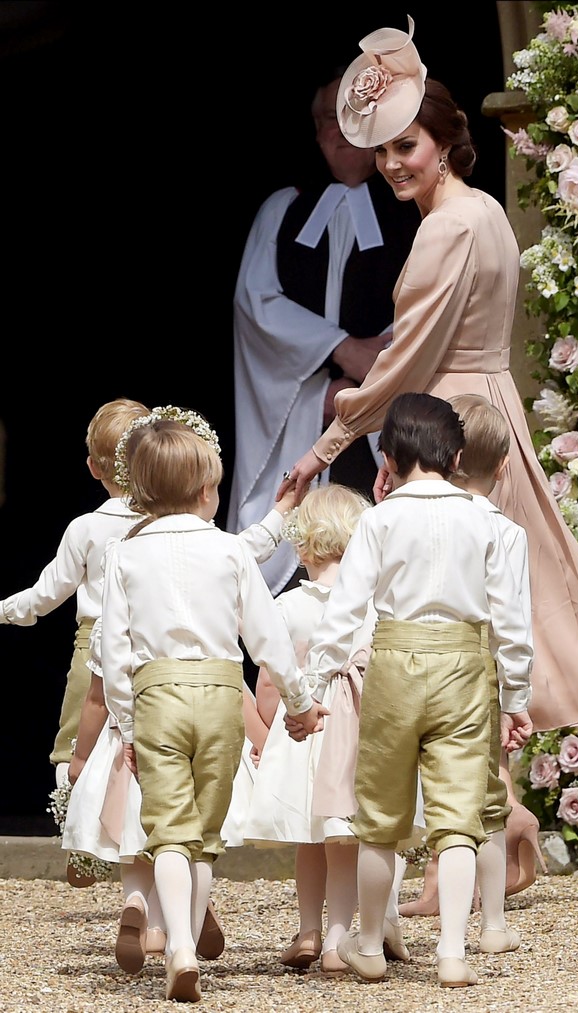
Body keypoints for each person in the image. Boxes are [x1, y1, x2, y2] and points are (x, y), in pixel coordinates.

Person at [279, 16, 578, 861]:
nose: (391, 164)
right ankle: (502, 826)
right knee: (483, 619)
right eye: (382, 150)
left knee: (444, 625)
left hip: (450, 430)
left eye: (406, 145)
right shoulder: (483, 211)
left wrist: (330, 442)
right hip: (478, 413)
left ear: (448, 140)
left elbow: (409, 351)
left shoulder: (450, 225)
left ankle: (487, 832)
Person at [286, 392, 533, 987]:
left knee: (379, 815)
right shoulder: (491, 524)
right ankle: (452, 952)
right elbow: (512, 624)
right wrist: (515, 699)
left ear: (388, 459)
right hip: (465, 668)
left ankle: (369, 942)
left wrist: (316, 685)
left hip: (393, 664)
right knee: (457, 816)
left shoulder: (379, 519)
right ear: (455, 454)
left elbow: (344, 614)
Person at [97, 410, 327, 1003]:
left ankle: (176, 947)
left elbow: (112, 650)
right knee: (204, 836)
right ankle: (187, 940)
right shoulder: (228, 552)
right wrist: (298, 703)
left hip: (157, 695)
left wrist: (125, 722)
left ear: (140, 490)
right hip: (222, 694)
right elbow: (268, 636)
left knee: (168, 832)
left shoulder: (125, 556)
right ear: (207, 491)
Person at [228, 63, 420, 598]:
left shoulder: (415, 213)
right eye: (325, 121)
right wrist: (337, 356)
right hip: (303, 409)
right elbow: (258, 304)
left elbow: (429, 303)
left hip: (383, 404)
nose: (336, 132)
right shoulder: (284, 209)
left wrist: (373, 374)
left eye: (349, 117)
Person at [394, 394, 543, 939]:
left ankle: (436, 892)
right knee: (481, 794)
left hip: (411, 661)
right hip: (477, 668)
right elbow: (514, 623)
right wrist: (516, 697)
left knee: (424, 780)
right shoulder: (502, 530)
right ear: (503, 467)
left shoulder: (414, 516)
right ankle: (492, 920)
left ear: (448, 456)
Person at [238, 484, 387, 975]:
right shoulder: (372, 607)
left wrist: (267, 738)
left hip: (303, 732)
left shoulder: (287, 607)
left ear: (301, 547)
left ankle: (307, 930)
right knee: (344, 839)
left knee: (309, 841)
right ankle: (337, 942)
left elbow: (268, 688)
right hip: (357, 735)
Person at [0, 398, 149, 792]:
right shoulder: (167, 522)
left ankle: (78, 840)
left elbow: (45, 595)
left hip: (94, 648)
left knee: (74, 749)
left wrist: (2, 611)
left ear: (93, 467)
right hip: (155, 647)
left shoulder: (86, 528)